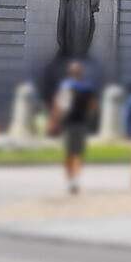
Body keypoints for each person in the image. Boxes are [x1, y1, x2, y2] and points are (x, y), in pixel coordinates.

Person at [51, 60, 98, 195]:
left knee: (78, 154)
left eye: (78, 69)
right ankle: (70, 179)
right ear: (71, 72)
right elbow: (59, 104)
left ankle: (75, 180)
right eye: (74, 70)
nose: (76, 72)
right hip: (68, 124)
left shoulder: (87, 87)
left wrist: (89, 115)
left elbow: (93, 104)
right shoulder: (66, 86)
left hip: (81, 124)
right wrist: (55, 121)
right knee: (69, 154)